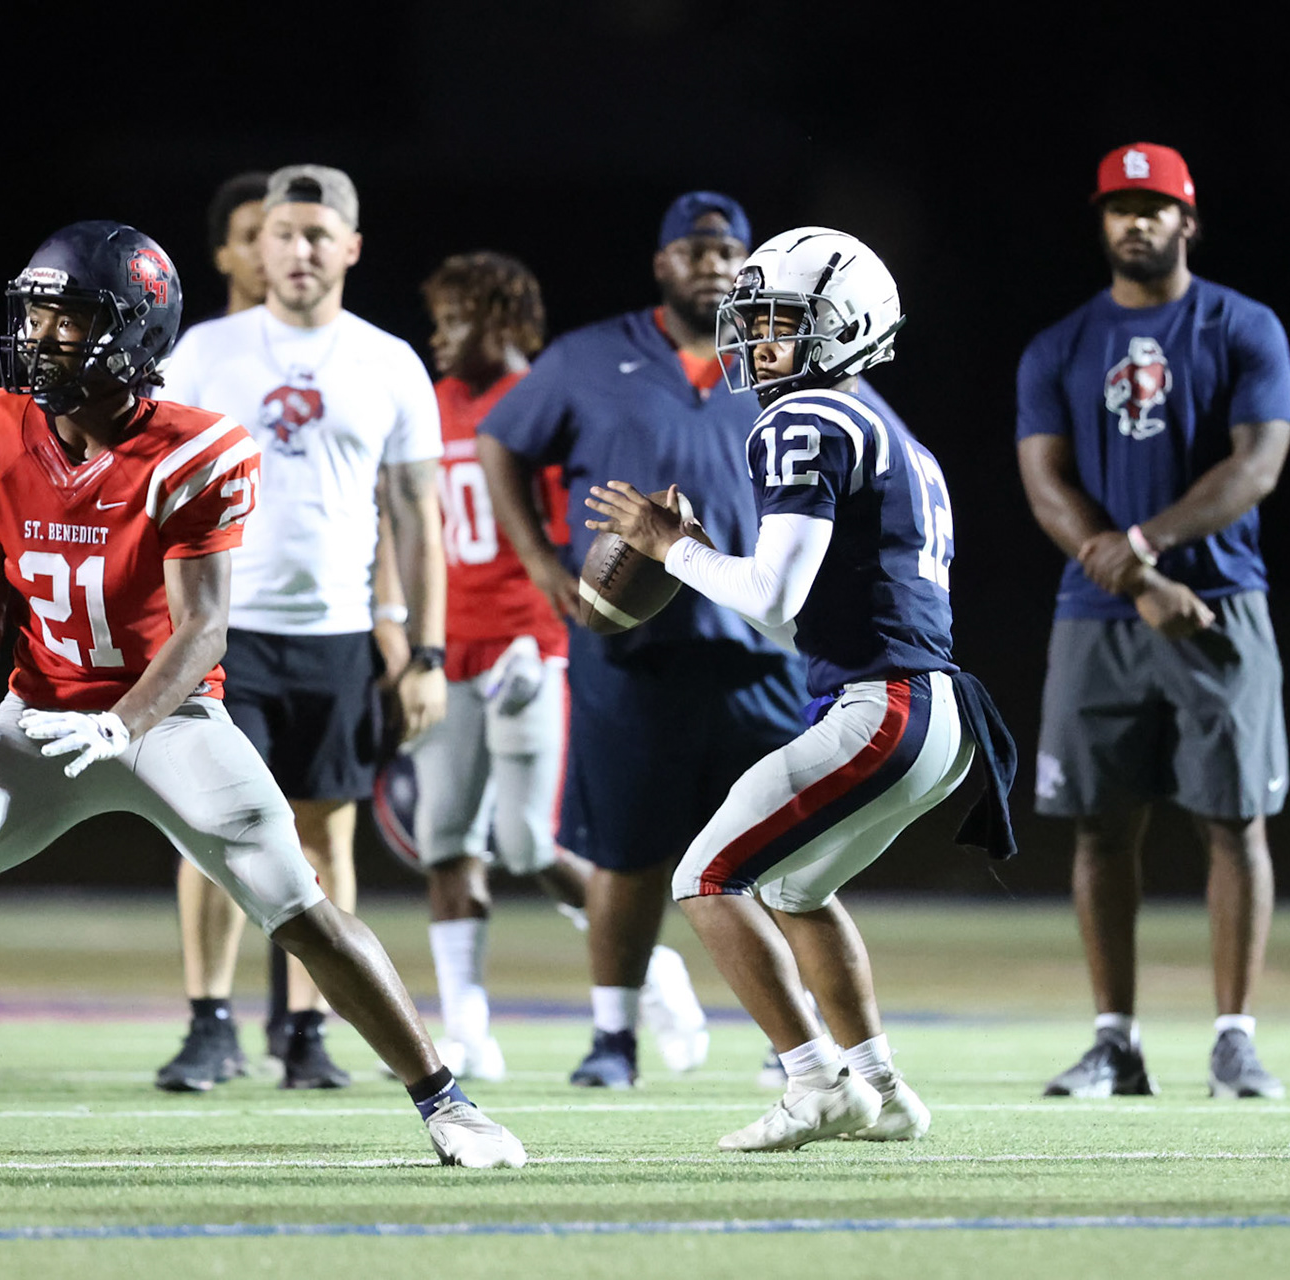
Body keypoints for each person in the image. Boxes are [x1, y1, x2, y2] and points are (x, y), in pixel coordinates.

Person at [0, 222, 522, 1171]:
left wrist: (122, 723)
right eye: (35, 314)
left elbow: (204, 628)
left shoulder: (193, 451)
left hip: (169, 719)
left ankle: (448, 1104)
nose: (41, 336)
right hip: (38, 718)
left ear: (135, 332)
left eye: (69, 317)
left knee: (296, 902)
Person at [585, 227, 1017, 1150]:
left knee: (706, 877)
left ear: (846, 327)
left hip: (884, 705)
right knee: (794, 890)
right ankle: (882, 1090)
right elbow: (796, 622)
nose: (757, 338)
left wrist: (672, 550)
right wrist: (698, 561)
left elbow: (774, 597)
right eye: (755, 319)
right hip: (933, 713)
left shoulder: (804, 420)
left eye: (782, 320)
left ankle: (816, 1082)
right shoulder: (891, 434)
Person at [477, 193, 805, 1088]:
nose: (713, 263)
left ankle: (794, 1040)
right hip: (630, 649)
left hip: (759, 646)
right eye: (694, 249)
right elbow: (501, 441)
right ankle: (613, 1037)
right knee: (626, 851)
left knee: (781, 852)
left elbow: (867, 444)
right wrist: (540, 563)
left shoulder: (785, 357)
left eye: (729, 251)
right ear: (662, 263)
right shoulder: (589, 356)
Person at [370, 251, 707, 1079]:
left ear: (500, 321)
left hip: (529, 642)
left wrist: (555, 634)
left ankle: (652, 969)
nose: (439, 338)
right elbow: (398, 523)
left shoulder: (548, 401)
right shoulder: (428, 404)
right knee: (445, 840)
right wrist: (401, 631)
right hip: (448, 644)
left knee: (528, 843)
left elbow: (587, 542)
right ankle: (467, 1031)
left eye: (456, 320)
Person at [153, 165, 449, 1091]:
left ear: (351, 247)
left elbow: (418, 516)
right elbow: (145, 491)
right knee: (212, 831)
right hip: (220, 632)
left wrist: (424, 649)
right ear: (260, 243)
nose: (298, 251)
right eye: (282, 233)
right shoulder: (203, 353)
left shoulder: (389, 362)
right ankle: (209, 1025)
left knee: (322, 840)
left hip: (335, 634)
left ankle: (309, 1029)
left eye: (318, 235)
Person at [1016, 142, 1290, 1100]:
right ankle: (1115, 1044)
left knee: (1234, 820)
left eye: (1154, 206)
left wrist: (1142, 543)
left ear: (1188, 220)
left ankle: (1234, 1041)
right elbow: (1046, 485)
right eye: (1118, 206)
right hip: (1095, 614)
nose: (1135, 221)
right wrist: (1138, 580)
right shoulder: (1058, 344)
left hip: (1219, 602)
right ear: (1100, 221)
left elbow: (1257, 465)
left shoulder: (1242, 325)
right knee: (1099, 827)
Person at [205, 171, 270, 319]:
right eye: (250, 238)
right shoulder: (198, 334)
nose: (265, 249)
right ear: (222, 257)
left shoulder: (320, 331)